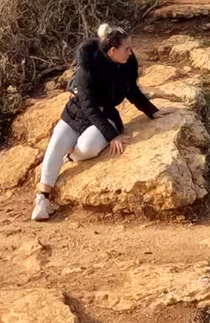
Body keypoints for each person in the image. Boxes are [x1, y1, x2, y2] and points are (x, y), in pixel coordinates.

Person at [31, 24, 159, 222]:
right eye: (127, 48)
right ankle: (42, 199)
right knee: (55, 145)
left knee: (88, 148)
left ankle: (70, 157)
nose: (131, 52)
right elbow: (89, 107)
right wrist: (113, 136)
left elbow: (132, 90)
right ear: (113, 51)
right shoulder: (88, 68)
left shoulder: (127, 63)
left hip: (105, 115)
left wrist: (153, 111)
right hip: (76, 113)